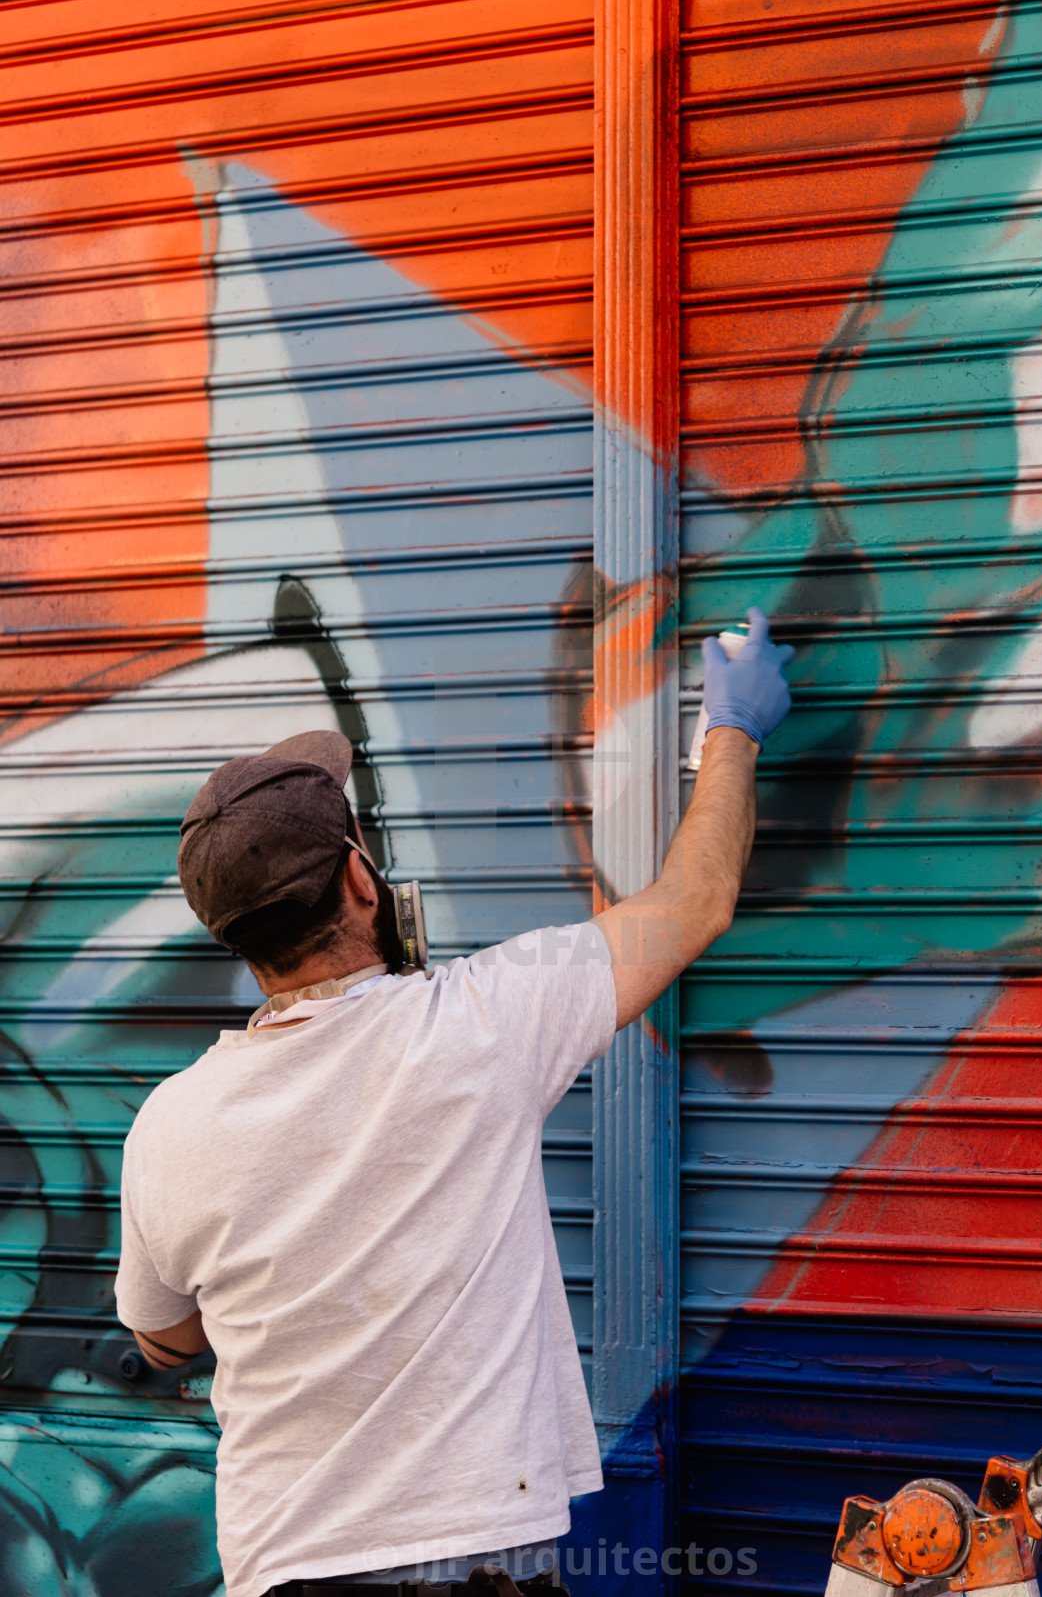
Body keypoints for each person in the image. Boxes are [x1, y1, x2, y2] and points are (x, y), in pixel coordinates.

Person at [113, 610, 794, 1597]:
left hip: (286, 1567)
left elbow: (162, 1338)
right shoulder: (480, 1024)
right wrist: (733, 728)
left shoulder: (169, 1125)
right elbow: (694, 903)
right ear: (359, 878)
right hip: (480, 1569)